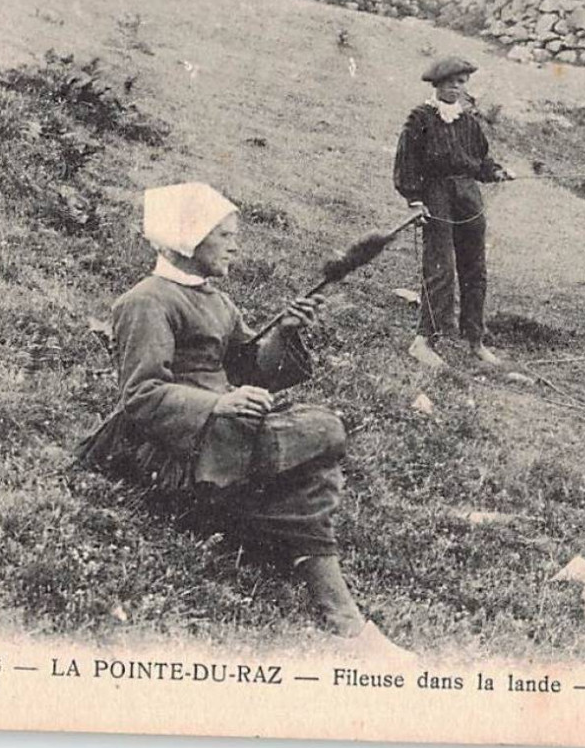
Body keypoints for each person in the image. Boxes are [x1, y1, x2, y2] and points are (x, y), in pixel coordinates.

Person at [77, 182, 408, 655]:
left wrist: (286, 333)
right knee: (322, 431)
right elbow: (142, 395)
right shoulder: (146, 301)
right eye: (224, 235)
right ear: (190, 239)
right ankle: (335, 609)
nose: (235, 244)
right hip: (171, 446)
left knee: (315, 464)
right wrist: (218, 404)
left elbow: (248, 368)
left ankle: (344, 620)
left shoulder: (218, 301)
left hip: (221, 436)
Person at [392, 55, 513, 368]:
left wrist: (496, 171)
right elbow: (407, 162)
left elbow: (480, 160)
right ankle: (424, 341)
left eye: (462, 82)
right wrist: (415, 201)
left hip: (467, 197)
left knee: (475, 268)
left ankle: (475, 340)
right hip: (436, 195)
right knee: (440, 268)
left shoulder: (468, 121)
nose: (457, 88)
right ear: (437, 84)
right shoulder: (420, 118)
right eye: (451, 83)